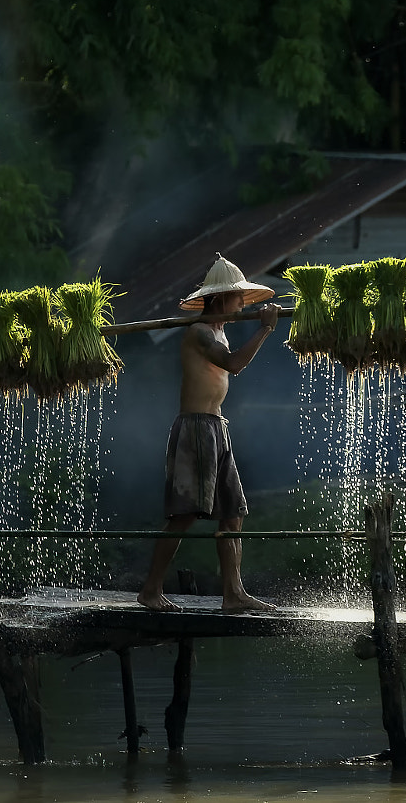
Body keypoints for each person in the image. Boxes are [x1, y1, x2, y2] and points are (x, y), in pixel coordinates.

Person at [138, 254, 280, 613]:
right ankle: (151, 590)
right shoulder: (200, 332)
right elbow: (234, 364)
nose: (240, 305)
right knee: (184, 514)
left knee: (233, 513)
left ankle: (233, 594)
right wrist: (265, 329)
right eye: (236, 298)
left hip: (218, 427)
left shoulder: (220, 331)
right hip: (196, 428)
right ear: (219, 299)